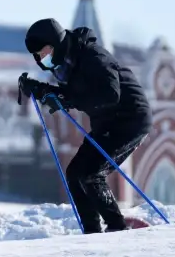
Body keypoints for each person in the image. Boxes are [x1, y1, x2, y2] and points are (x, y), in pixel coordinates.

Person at [18, 18, 152, 233]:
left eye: (44, 53)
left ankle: (117, 227)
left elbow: (110, 94)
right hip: (107, 122)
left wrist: (66, 99)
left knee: (90, 173)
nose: (42, 60)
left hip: (130, 119)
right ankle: (91, 231)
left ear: (57, 43)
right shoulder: (66, 66)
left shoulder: (92, 56)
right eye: (38, 57)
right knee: (74, 174)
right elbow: (73, 96)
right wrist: (40, 90)